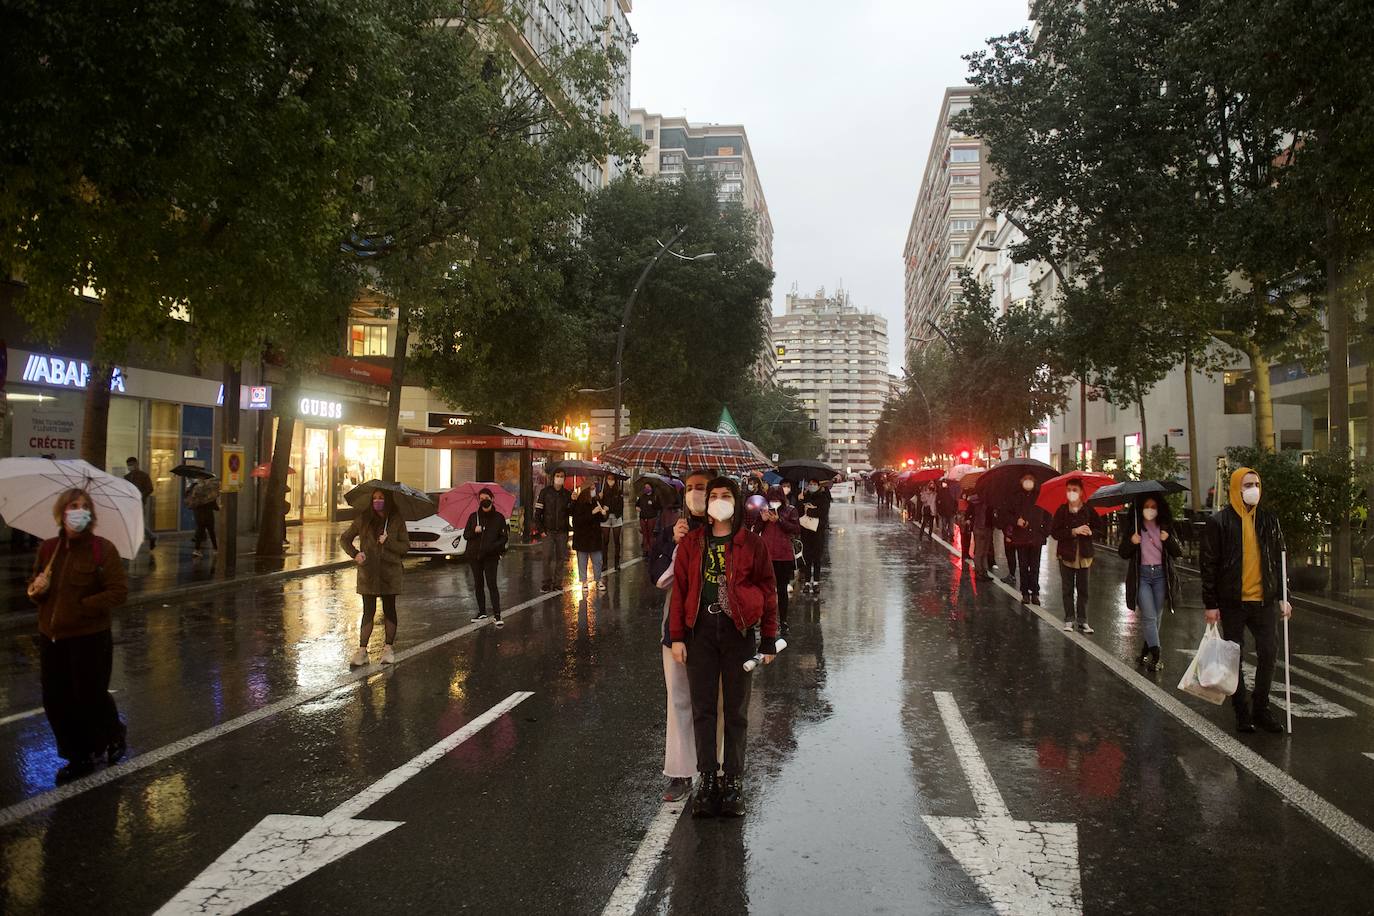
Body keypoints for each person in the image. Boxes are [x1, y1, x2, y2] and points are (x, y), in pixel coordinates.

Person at [669, 476, 780, 818]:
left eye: (725, 495)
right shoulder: (693, 542)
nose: (717, 500)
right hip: (700, 632)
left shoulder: (751, 543)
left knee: (735, 712)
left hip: (738, 632)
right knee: (703, 710)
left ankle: (732, 781)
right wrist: (677, 637)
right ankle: (707, 780)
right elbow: (681, 590)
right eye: (712, 495)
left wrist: (769, 637)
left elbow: (769, 589)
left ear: (737, 500)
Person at [27, 488, 129, 784]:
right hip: (52, 636)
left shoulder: (102, 549)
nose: (79, 510)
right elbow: (35, 590)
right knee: (56, 700)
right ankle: (78, 755)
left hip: (89, 636)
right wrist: (37, 588)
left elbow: (118, 592)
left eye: (85, 506)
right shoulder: (48, 549)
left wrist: (84, 606)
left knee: (89, 696)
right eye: (74, 505)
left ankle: (112, 733)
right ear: (62, 512)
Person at [1201, 467, 1292, 734]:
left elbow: (1279, 560)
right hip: (1233, 602)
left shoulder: (1268, 520)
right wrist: (1211, 603)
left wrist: (1285, 596)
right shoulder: (1220, 522)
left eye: (1257, 484)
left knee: (1269, 652)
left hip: (1263, 601)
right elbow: (1209, 564)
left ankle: (1261, 708)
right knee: (1234, 656)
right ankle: (1242, 711)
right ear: (1236, 488)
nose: (1254, 489)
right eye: (1248, 484)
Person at [651, 469, 712, 803]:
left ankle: (715, 772)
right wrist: (674, 543)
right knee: (678, 701)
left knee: (714, 702)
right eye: (689, 488)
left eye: (702, 488)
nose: (695, 494)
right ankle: (679, 772)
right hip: (676, 633)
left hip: (717, 633)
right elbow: (656, 576)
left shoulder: (729, 530)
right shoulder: (673, 530)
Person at [340, 489, 408, 666]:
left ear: (388, 500)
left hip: (390, 573)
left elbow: (405, 547)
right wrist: (355, 554)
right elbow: (345, 539)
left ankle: (388, 648)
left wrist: (389, 541)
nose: (377, 501)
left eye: (381, 498)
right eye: (375, 498)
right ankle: (362, 650)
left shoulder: (396, 520)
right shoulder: (363, 519)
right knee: (368, 611)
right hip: (368, 573)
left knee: (389, 609)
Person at [1118, 496, 1182, 671]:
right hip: (1142, 576)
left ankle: (1146, 650)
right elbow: (1122, 552)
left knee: (1155, 617)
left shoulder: (1166, 526)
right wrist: (1132, 542)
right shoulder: (1135, 528)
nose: (1150, 509)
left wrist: (1167, 538)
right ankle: (1157, 654)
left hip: (1162, 576)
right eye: (1146, 506)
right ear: (1140, 509)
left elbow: (1178, 551)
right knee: (1149, 616)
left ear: (1159, 508)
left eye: (1153, 506)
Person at [1051, 479, 1103, 634]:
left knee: (1083, 589)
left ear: (1081, 492)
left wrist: (1090, 531)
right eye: (1068, 490)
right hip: (1066, 554)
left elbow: (1100, 529)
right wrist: (1073, 531)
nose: (1071, 493)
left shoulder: (1088, 510)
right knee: (1067, 589)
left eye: (1074, 489)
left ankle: (1083, 620)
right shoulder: (1061, 511)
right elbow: (1054, 532)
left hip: (1084, 555)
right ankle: (1069, 619)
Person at [748, 485, 801, 636]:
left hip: (783, 556)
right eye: (771, 499)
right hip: (766, 556)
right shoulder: (763, 511)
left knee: (782, 589)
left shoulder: (790, 510)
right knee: (765, 590)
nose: (774, 502)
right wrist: (763, 520)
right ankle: (765, 620)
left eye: (777, 499)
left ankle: (783, 621)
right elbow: (755, 531)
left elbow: (796, 529)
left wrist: (779, 520)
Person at [464, 487, 509, 627]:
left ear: (492, 499)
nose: (484, 501)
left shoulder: (499, 518)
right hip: (475, 556)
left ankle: (497, 614)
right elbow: (466, 535)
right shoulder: (473, 517)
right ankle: (482, 612)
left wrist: (494, 547)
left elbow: (504, 538)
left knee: (492, 584)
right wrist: (474, 530)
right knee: (478, 584)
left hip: (491, 557)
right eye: (481, 499)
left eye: (486, 498)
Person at [1005, 474, 1051, 605]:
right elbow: (1007, 514)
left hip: (1036, 537)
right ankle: (1025, 592)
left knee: (1035, 566)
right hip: (1021, 537)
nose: (1028, 482)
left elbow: (1048, 516)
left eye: (1030, 479)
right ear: (1021, 481)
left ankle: (1035, 593)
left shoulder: (1041, 496)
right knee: (1023, 566)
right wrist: (1016, 521)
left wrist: (1044, 532)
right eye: (1025, 479)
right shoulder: (1015, 497)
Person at [532, 469, 572, 591]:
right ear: (553, 477)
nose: (559, 478)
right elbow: (537, 513)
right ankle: (546, 582)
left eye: (562, 476)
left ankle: (557, 583)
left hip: (562, 531)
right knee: (546, 558)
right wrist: (541, 530)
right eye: (557, 476)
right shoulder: (545, 492)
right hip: (548, 531)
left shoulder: (567, 494)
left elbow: (571, 512)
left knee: (561, 558)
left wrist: (573, 501)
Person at [571, 483, 607, 589]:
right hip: (582, 537)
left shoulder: (596, 501)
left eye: (594, 488)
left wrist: (603, 514)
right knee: (582, 561)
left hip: (594, 536)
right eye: (591, 489)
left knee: (598, 560)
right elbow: (577, 521)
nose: (593, 491)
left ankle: (598, 579)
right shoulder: (579, 503)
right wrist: (592, 513)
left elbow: (601, 518)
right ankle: (584, 581)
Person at [798, 477, 831, 594]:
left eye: (814, 484)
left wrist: (810, 511)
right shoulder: (805, 496)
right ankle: (807, 582)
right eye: (810, 484)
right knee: (807, 558)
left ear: (818, 485)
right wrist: (800, 501)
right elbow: (799, 513)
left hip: (818, 532)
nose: (812, 486)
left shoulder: (823, 497)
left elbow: (823, 513)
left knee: (817, 558)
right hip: (806, 532)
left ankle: (816, 582)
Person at [124, 457, 155, 550]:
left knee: (138, 523)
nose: (130, 467)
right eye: (129, 465)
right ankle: (150, 536)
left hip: (139, 503)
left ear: (137, 464)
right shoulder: (127, 477)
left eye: (132, 465)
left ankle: (149, 537)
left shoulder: (144, 476)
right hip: (129, 503)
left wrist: (142, 495)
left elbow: (150, 488)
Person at [186, 478, 218, 558]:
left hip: (198, 515)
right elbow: (214, 504)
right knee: (211, 532)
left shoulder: (195, 488)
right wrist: (218, 508)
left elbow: (192, 502)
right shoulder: (209, 490)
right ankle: (215, 549)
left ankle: (196, 550)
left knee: (200, 532)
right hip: (208, 515)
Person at [600, 476, 625, 578]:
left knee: (616, 541)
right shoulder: (602, 491)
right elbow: (598, 504)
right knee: (605, 541)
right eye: (609, 479)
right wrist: (599, 498)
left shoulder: (619, 492)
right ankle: (604, 563)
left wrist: (611, 508)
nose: (610, 481)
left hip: (616, 517)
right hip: (605, 518)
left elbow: (620, 506)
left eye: (612, 479)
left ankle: (617, 563)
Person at [969, 490, 996, 580]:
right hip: (980, 527)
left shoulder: (991, 500)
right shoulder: (979, 499)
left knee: (985, 552)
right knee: (979, 552)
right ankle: (978, 572)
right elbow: (971, 499)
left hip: (988, 528)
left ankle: (984, 572)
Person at [636, 483, 660, 558]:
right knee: (645, 534)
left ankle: (651, 550)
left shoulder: (655, 497)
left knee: (650, 534)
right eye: (645, 487)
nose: (646, 488)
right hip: (643, 517)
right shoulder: (642, 496)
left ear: (651, 488)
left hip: (651, 517)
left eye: (648, 487)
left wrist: (653, 503)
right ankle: (645, 550)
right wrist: (637, 507)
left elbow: (658, 507)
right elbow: (637, 504)